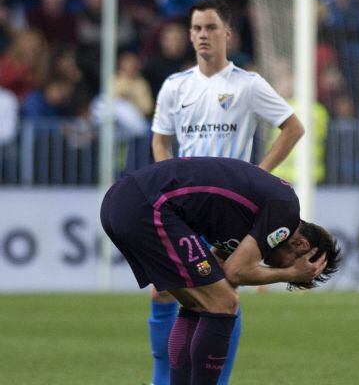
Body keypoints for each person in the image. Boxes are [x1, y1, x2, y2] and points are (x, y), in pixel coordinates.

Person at [149, 0, 305, 385]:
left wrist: (259, 175)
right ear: (189, 35)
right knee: (164, 292)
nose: (203, 35)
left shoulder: (248, 85)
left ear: (227, 34)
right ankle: (162, 378)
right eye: (197, 28)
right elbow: (160, 140)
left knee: (223, 294)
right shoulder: (175, 86)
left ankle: (216, 379)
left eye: (211, 28)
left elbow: (293, 127)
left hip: (226, 213)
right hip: (183, 207)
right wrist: (164, 178)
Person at [100, 157, 341, 385]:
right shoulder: (285, 213)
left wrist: (285, 271)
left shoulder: (254, 221)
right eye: (285, 264)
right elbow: (236, 273)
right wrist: (291, 274)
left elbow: (221, 270)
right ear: (301, 245)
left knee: (199, 304)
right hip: (149, 206)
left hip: (122, 202)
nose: (273, 265)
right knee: (224, 301)